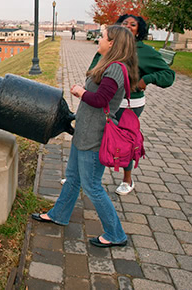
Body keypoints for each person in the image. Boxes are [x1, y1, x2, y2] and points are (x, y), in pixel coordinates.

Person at [32, 25, 139, 247]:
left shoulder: (116, 69)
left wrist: (81, 92)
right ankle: (59, 215)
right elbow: (100, 95)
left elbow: (101, 101)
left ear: (112, 44)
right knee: (73, 177)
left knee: (92, 186)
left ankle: (115, 234)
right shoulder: (109, 66)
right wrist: (85, 91)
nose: (98, 40)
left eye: (102, 37)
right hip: (85, 132)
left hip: (94, 136)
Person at [89, 14, 175, 195]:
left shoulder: (144, 51)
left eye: (133, 24)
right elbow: (93, 69)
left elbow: (168, 75)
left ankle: (127, 180)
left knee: (123, 140)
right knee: (98, 136)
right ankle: (85, 177)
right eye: (124, 23)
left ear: (139, 30)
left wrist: (147, 79)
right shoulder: (109, 47)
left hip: (129, 105)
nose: (128, 26)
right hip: (105, 101)